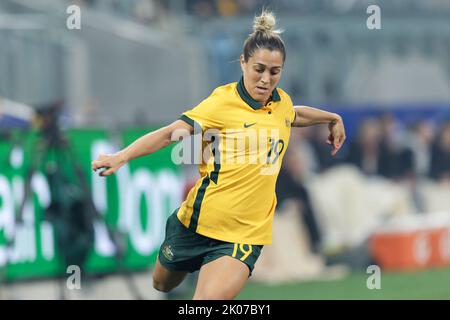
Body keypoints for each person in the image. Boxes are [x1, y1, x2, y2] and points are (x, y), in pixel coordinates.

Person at [91, 10, 346, 300]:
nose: (265, 79)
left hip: (244, 235)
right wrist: (121, 156)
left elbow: (294, 114)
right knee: (162, 284)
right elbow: (169, 133)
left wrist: (331, 117)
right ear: (243, 62)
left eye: (274, 72)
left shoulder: (281, 103)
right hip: (197, 221)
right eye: (258, 69)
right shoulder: (221, 104)